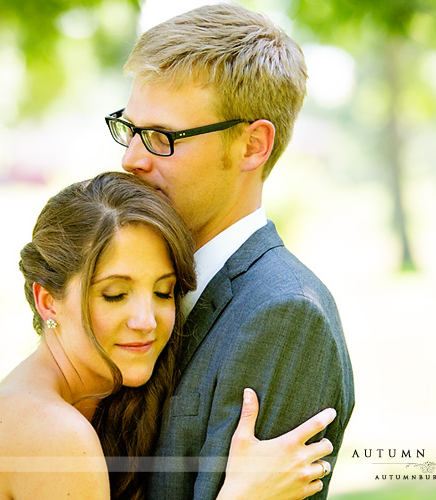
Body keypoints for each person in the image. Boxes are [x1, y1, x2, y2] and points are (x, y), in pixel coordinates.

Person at [0, 172, 336, 500]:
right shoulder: (54, 434)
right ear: (48, 301)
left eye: (163, 292)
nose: (146, 320)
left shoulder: (44, 400)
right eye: (115, 294)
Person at [104, 4, 355, 499]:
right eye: (129, 130)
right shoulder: (142, 285)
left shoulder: (284, 315)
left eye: (161, 138)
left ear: (252, 146)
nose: (131, 159)